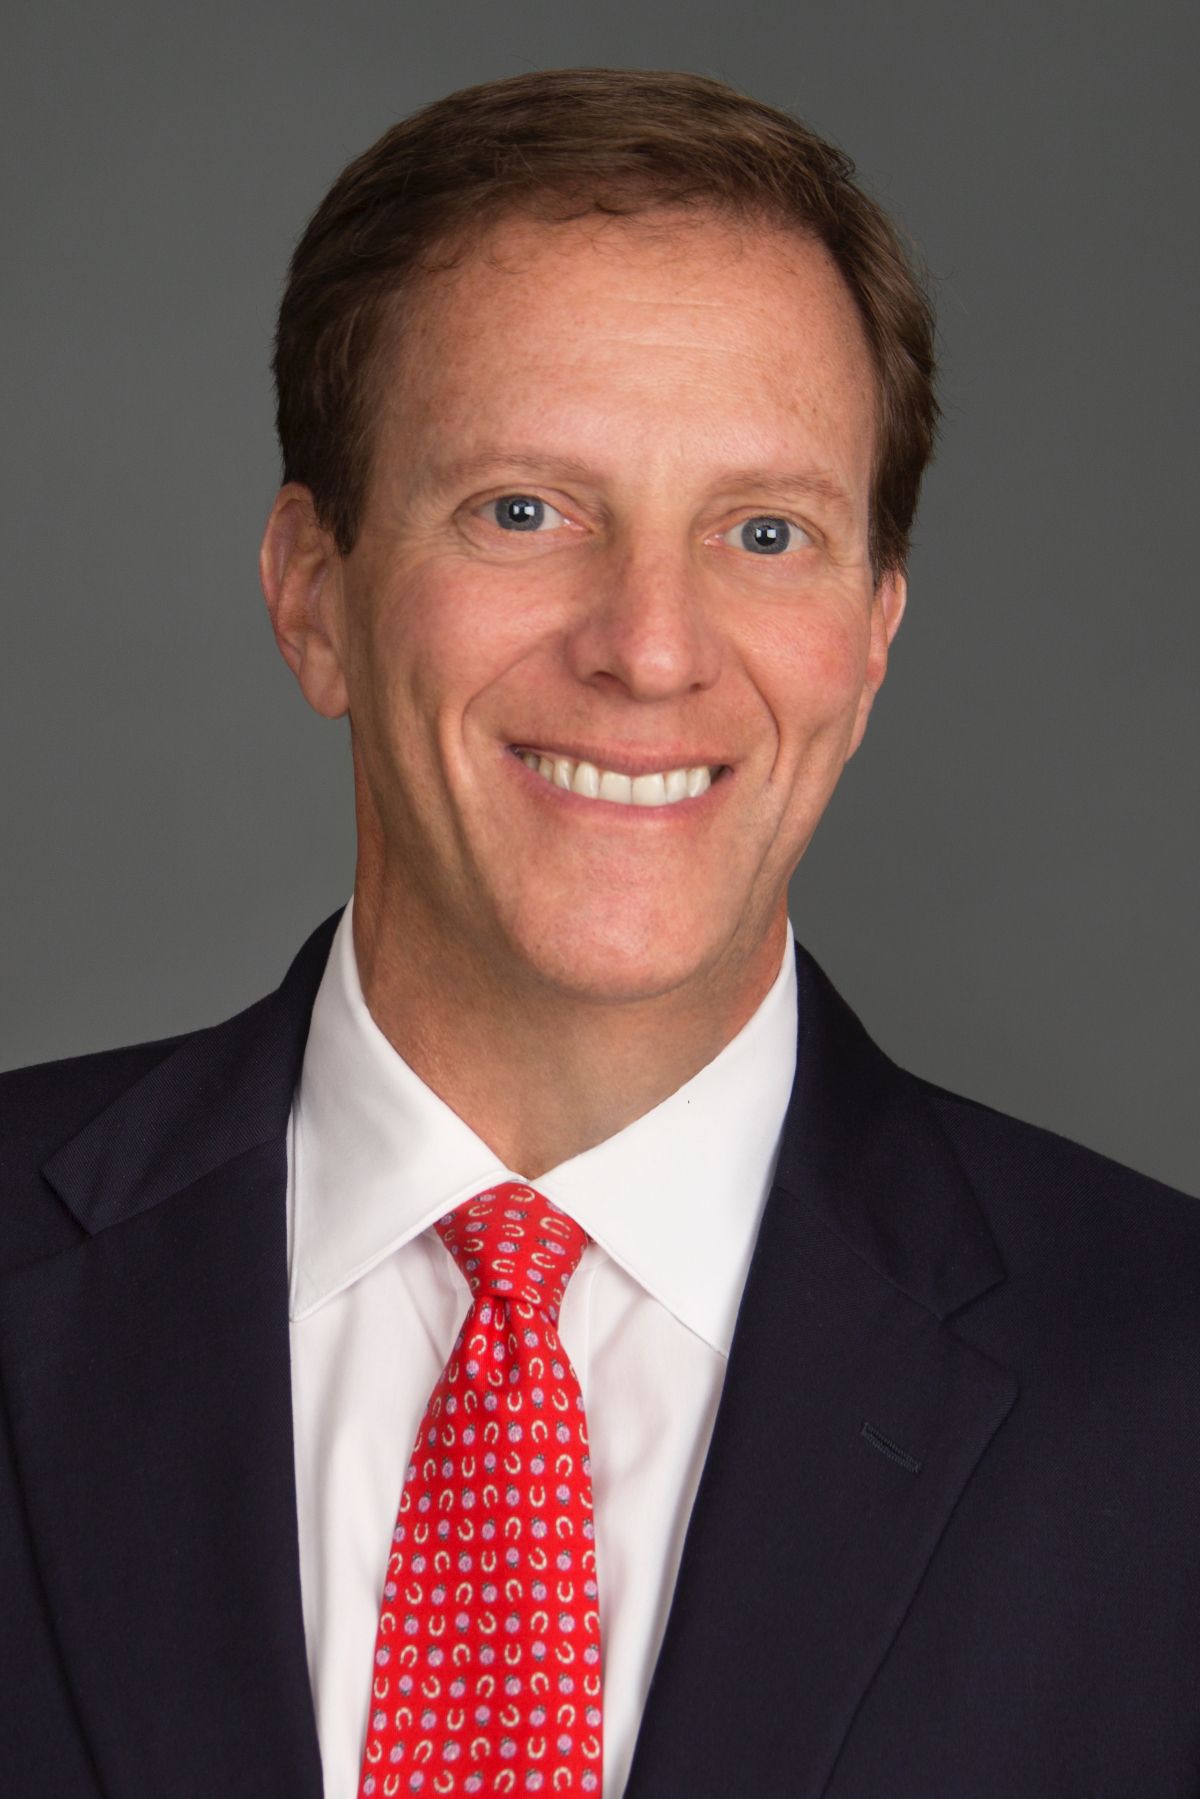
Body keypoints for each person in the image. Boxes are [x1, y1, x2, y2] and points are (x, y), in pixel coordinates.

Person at [1, 66, 1197, 1799]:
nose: (649, 647)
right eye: (523, 511)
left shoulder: (1167, 1391)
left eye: (765, 533)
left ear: (871, 641)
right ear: (313, 592)